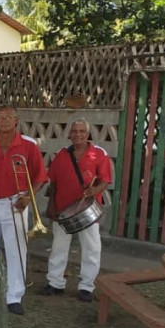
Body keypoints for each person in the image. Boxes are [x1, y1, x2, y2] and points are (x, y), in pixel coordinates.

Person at [0, 106, 47, 315]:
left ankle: (14, 296)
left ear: (16, 120)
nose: (4, 121)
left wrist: (28, 197)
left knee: (16, 250)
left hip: (16, 203)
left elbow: (40, 177)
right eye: (0, 118)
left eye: (8, 117)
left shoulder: (29, 145)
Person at [43, 118, 112, 301]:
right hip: (63, 209)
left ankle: (86, 287)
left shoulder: (99, 154)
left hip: (87, 210)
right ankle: (55, 283)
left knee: (91, 248)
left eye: (82, 131)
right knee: (58, 247)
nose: (78, 134)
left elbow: (105, 180)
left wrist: (94, 190)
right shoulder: (61, 155)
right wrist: (51, 204)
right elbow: (53, 181)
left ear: (87, 134)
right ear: (70, 134)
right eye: (74, 131)